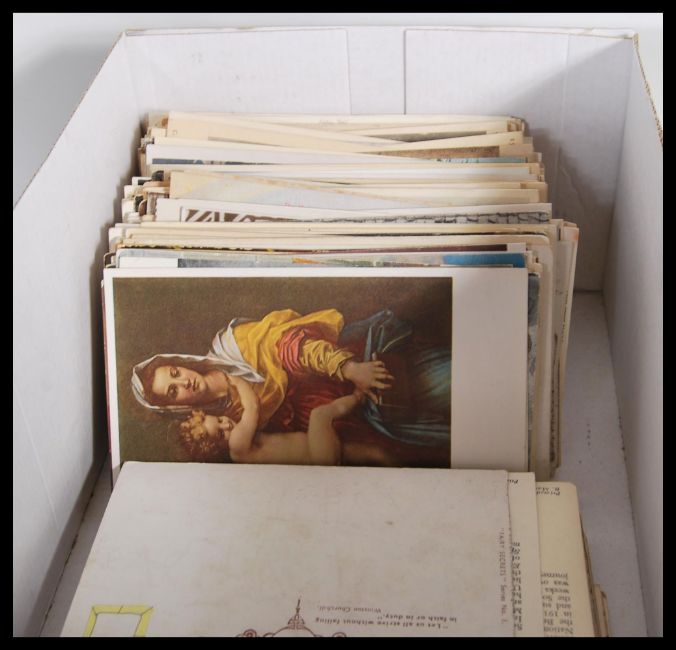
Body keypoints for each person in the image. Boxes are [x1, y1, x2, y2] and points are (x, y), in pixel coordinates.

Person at [177, 377, 396, 467]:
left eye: (220, 420)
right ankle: (360, 395)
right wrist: (236, 381)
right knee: (319, 416)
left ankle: (397, 467)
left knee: (375, 453)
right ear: (216, 448)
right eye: (220, 434)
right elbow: (252, 407)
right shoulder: (237, 445)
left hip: (317, 452)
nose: (227, 425)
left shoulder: (238, 444)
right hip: (317, 457)